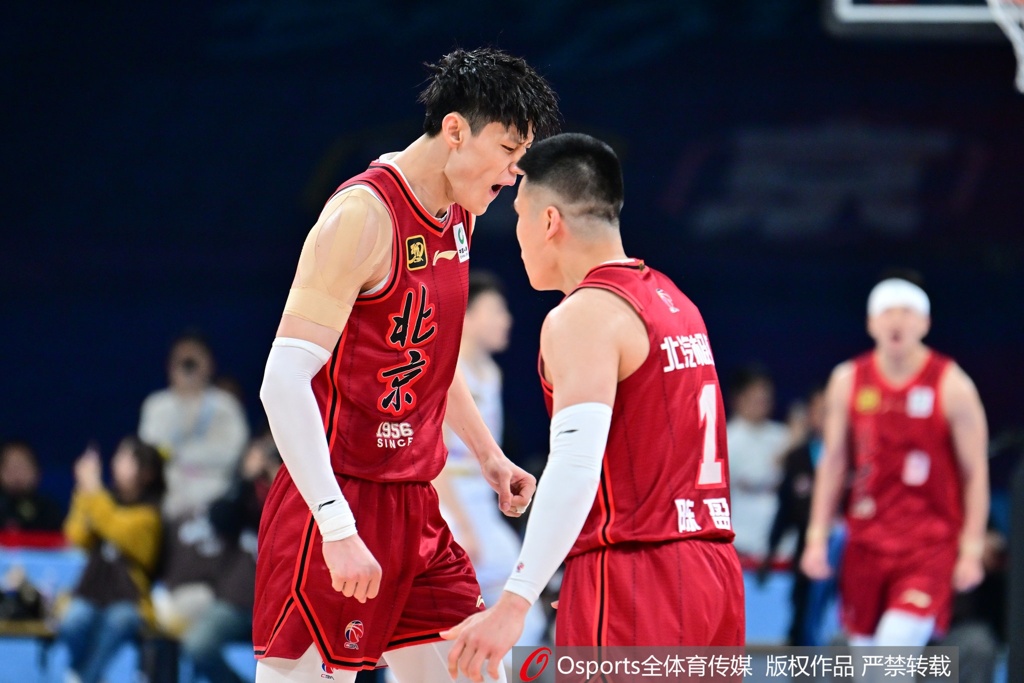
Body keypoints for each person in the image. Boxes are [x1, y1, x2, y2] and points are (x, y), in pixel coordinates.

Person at [254, 47, 560, 683]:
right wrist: (336, 525)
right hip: (338, 496)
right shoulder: (361, 216)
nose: (514, 174)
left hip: (415, 505)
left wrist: (489, 455)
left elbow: (432, 363)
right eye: (508, 150)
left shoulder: (457, 215)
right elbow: (281, 382)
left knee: (477, 671)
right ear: (455, 129)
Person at [443, 132, 745, 682]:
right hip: (712, 572)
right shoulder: (675, 301)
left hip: (640, 575)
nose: (516, 235)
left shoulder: (584, 314)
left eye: (519, 215)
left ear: (549, 221)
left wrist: (515, 602)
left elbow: (574, 468)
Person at [800, 273, 989, 648]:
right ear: (871, 323)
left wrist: (972, 549)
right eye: (887, 312)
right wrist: (816, 537)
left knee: (894, 650)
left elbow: (975, 472)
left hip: (927, 545)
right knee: (867, 661)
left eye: (907, 312)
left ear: (925, 323)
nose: (897, 320)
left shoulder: (953, 385)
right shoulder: (848, 380)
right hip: (866, 544)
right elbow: (833, 463)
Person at [432, 270, 548, 652]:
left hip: (482, 505)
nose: (506, 320)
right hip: (446, 506)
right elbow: (433, 461)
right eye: (495, 311)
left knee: (526, 610)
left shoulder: (491, 373)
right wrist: (462, 528)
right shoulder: (447, 372)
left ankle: (487, 670)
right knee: (435, 620)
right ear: (465, 316)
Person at [57, 436, 165, 683]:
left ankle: (82, 677)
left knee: (120, 619)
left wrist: (93, 489)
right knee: (73, 620)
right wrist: (84, 490)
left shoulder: (149, 513)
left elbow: (115, 528)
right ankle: (89, 676)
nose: (116, 463)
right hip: (92, 591)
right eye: (117, 457)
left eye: (126, 459)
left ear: (146, 472)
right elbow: (76, 535)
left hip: (130, 598)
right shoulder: (103, 501)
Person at [139, 330, 250, 521]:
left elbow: (233, 454)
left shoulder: (226, 406)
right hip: (168, 506)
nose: (188, 369)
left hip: (215, 505)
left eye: (194, 363)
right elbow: (149, 455)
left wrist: (180, 455)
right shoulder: (156, 406)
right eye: (183, 363)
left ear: (209, 364)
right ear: (170, 366)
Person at [726, 365, 791, 561]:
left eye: (765, 397)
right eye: (754, 396)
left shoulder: (782, 435)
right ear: (738, 399)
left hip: (779, 543)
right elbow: (754, 478)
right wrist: (781, 459)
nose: (761, 401)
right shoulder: (727, 437)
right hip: (741, 539)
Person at [0, 439, 64, 532]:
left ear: (36, 470)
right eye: (10, 466)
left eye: (22, 466)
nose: (16, 473)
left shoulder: (50, 511)